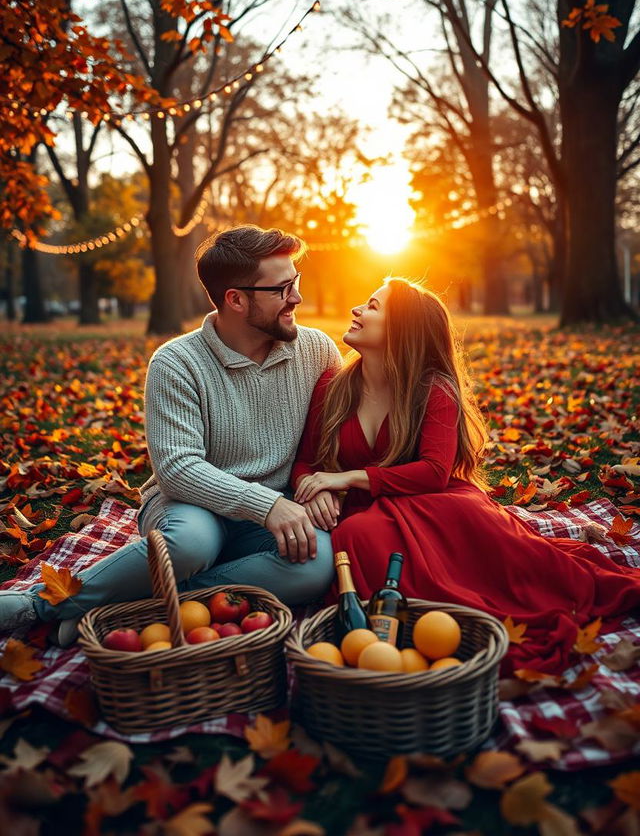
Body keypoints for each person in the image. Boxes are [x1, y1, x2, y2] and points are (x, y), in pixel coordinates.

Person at [0, 225, 341, 644]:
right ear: (235, 299)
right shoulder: (177, 362)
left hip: (272, 515)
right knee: (190, 544)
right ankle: (39, 605)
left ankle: (123, 605)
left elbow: (333, 439)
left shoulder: (318, 350)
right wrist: (265, 503)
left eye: (296, 281)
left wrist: (321, 482)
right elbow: (178, 469)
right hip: (191, 507)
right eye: (282, 288)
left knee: (317, 563)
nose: (297, 297)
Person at [291, 277, 640, 675]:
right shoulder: (332, 386)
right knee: (356, 534)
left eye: (372, 306)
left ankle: (446, 621)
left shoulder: (433, 388)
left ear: (403, 328)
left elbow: (434, 472)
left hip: (433, 502)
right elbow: (305, 462)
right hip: (366, 512)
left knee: (531, 572)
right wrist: (311, 487)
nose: (357, 310)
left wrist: (347, 478)